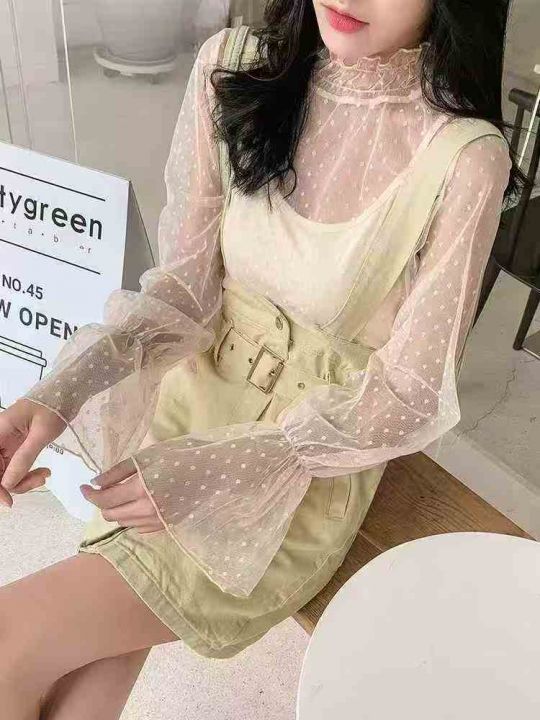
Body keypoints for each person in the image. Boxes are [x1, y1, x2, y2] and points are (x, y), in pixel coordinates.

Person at [0, 1, 528, 718]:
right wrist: (60, 391)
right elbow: (183, 292)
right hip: (184, 416)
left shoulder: (461, 157)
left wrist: (218, 471)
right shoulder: (230, 68)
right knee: (73, 680)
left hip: (295, 470)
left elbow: (410, 393)